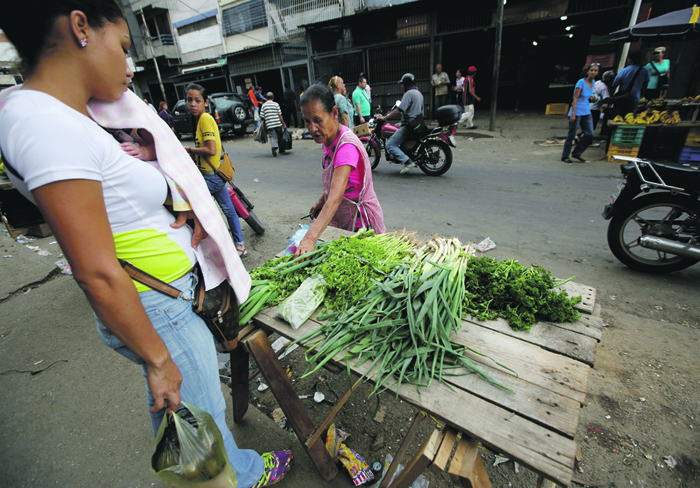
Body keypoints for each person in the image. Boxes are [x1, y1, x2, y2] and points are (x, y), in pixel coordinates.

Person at [0, 3, 291, 488]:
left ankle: (213, 474)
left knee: (183, 415)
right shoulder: (43, 125)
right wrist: (158, 359)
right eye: (124, 47)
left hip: (163, 300)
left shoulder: (60, 116)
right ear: (79, 28)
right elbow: (93, 270)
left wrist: (177, 206)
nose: (130, 66)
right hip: (160, 305)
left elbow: (114, 202)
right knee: (201, 416)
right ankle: (241, 477)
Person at [295, 84, 385, 257]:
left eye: (317, 120)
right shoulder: (328, 140)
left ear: (334, 113)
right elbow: (336, 181)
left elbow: (335, 198)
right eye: (307, 121)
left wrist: (310, 238)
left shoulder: (346, 147)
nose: (312, 129)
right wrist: (322, 200)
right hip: (344, 219)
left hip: (360, 225)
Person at [183, 84, 248, 257]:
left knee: (191, 207)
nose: (193, 104)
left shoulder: (204, 118)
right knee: (228, 210)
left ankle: (210, 248)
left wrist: (189, 150)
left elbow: (211, 150)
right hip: (215, 174)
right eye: (189, 100)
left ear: (205, 102)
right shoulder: (205, 119)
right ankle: (240, 246)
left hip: (212, 177)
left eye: (197, 100)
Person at [376, 73, 425, 174]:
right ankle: (403, 150)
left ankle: (407, 161)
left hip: (410, 127)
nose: (402, 86)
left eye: (403, 84)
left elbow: (399, 110)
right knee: (395, 126)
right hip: (417, 124)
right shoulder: (418, 93)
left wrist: (385, 117)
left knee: (389, 145)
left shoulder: (408, 94)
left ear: (407, 85)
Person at [561, 63, 599, 163]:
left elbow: (587, 98)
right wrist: (573, 113)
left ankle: (577, 153)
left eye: (595, 70)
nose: (593, 72)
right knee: (572, 134)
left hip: (586, 111)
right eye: (591, 70)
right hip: (577, 111)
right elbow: (575, 98)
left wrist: (593, 100)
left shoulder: (594, 82)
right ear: (587, 71)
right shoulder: (581, 82)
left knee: (589, 133)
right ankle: (565, 156)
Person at [611, 51, 650, 119]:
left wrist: (611, 98)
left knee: (617, 118)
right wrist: (641, 95)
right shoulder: (645, 70)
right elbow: (645, 85)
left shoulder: (624, 71)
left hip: (621, 99)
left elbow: (614, 85)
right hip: (634, 99)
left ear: (630, 59)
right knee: (629, 118)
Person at [259, 91, 286, 157]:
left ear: (266, 98)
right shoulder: (276, 104)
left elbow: (261, 116)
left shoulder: (264, 105)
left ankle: (274, 146)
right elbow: (280, 115)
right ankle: (281, 149)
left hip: (269, 124)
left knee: (272, 136)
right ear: (273, 98)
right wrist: (284, 124)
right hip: (278, 123)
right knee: (280, 136)